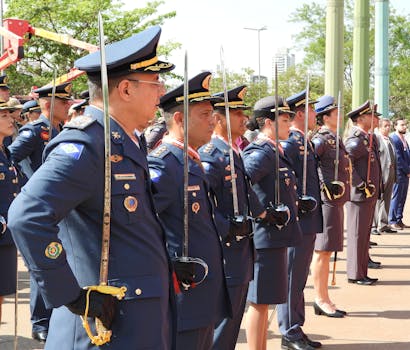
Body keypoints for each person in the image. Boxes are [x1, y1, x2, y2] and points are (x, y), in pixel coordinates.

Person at [8, 26, 177, 349]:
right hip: (102, 328)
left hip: (133, 320)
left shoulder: (124, 139)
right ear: (125, 89)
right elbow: (27, 216)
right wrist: (72, 295)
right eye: (155, 84)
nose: (161, 93)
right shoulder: (87, 144)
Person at [148, 72, 231, 350]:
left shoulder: (190, 160)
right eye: (205, 114)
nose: (213, 121)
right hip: (183, 290)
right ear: (180, 119)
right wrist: (169, 264)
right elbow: (142, 228)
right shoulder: (165, 165)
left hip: (202, 289)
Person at [198, 85, 264, 350]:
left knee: (233, 321)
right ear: (218, 119)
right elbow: (200, 206)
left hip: (241, 249)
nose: (243, 119)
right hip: (226, 251)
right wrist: (227, 228)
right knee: (221, 327)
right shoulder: (211, 156)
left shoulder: (234, 151)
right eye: (236, 113)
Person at [8, 82, 73, 342]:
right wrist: (29, 183)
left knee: (55, 259)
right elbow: (10, 157)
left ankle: (53, 313)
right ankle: (39, 321)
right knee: (41, 263)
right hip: (41, 205)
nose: (68, 105)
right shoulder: (34, 131)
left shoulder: (60, 129)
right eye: (64, 101)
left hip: (58, 206)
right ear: (48, 103)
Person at [242, 96, 303, 350]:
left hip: (276, 237)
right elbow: (240, 184)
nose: (290, 123)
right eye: (285, 119)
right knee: (259, 302)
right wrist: (263, 214)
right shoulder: (262, 152)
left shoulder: (276, 149)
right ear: (268, 122)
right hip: (265, 237)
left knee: (266, 301)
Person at [277, 90, 323, 350]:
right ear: (300, 114)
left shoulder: (302, 141)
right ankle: (288, 331)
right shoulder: (291, 143)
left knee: (299, 277)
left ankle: (296, 326)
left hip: (308, 218)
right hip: (298, 220)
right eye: (312, 110)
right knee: (292, 276)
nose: (315, 115)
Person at [310, 95, 350, 318]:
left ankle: (324, 297)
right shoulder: (322, 139)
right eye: (336, 113)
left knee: (326, 252)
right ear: (325, 117)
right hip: (327, 201)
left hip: (335, 202)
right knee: (322, 251)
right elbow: (308, 166)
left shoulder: (335, 137)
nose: (340, 116)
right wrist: (324, 187)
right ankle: (320, 298)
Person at [344, 101, 382, 285]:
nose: (376, 118)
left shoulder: (367, 138)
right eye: (372, 115)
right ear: (360, 119)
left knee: (364, 235)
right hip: (360, 195)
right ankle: (355, 274)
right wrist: (360, 184)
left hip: (368, 194)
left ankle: (361, 271)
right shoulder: (356, 139)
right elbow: (347, 163)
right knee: (357, 235)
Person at [0, 100, 25, 324]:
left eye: (10, 114)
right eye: (4, 116)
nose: (11, 120)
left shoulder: (5, 152)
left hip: (6, 236)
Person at [372, 118, 397, 234]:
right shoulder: (376, 140)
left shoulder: (390, 140)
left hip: (391, 172)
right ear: (379, 127)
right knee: (378, 199)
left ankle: (384, 224)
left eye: (389, 126)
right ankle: (374, 226)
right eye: (385, 126)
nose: (388, 128)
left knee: (387, 198)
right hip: (381, 172)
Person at [388, 117, 410, 230]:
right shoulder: (394, 138)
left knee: (403, 197)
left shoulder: (403, 139)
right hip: (399, 173)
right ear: (395, 126)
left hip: (405, 174)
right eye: (402, 125)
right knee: (396, 197)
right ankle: (392, 220)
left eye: (405, 125)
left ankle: (399, 219)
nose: (404, 126)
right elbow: (398, 158)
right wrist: (408, 170)